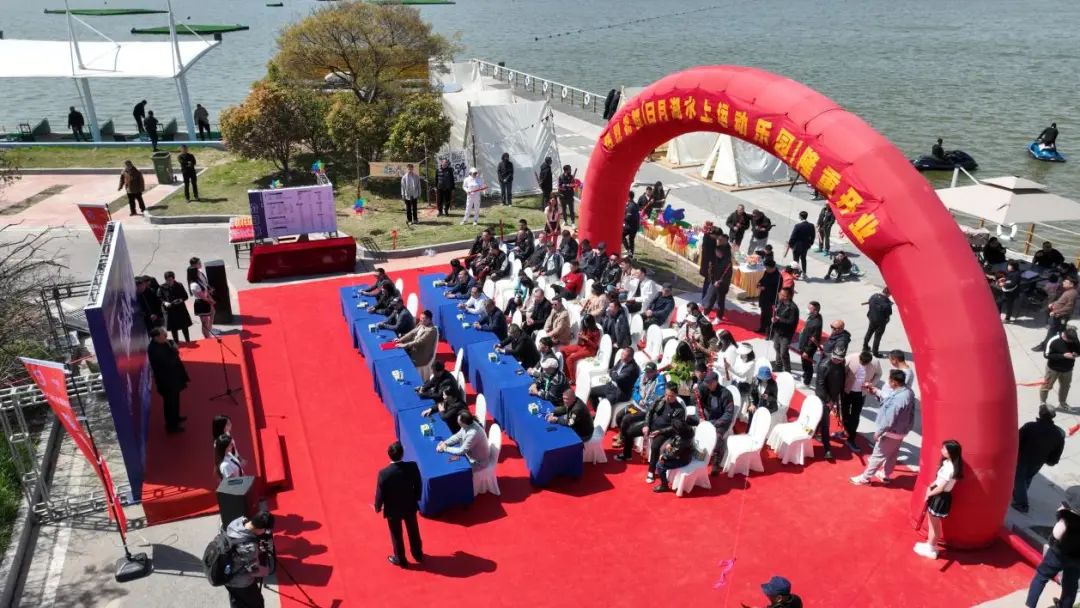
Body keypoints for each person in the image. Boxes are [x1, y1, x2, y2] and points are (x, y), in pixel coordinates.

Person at [850, 369, 917, 485]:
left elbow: (888, 419)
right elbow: (889, 399)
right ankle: (886, 475)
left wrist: (879, 432)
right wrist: (876, 391)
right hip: (900, 431)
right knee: (892, 454)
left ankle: (865, 478)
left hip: (890, 432)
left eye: (889, 380)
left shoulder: (898, 398)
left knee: (877, 455)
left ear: (894, 382)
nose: (888, 382)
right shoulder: (907, 392)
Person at [1025, 489, 1080, 608]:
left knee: (1041, 576)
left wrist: (1061, 514)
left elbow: (1057, 533)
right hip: (1077, 559)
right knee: (1070, 584)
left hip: (1058, 554)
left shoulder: (1067, 519)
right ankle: (1065, 605)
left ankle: (1030, 605)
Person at [375, 441, 423, 568]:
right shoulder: (412, 466)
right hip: (409, 505)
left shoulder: (384, 474)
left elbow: (380, 493)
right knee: (413, 530)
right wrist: (416, 498)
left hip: (393, 509)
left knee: (396, 534)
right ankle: (418, 554)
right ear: (402, 454)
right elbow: (418, 484)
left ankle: (400, 559)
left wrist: (377, 506)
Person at [914, 440, 964, 559]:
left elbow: (941, 488)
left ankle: (931, 548)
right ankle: (930, 544)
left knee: (933, 525)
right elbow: (938, 481)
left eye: (944, 449)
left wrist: (929, 494)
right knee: (932, 523)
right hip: (937, 494)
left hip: (940, 497)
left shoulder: (950, 468)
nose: (942, 450)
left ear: (951, 452)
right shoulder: (947, 462)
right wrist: (931, 486)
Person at [1013, 405, 1065, 513]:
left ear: (1041, 414)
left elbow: (1016, 440)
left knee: (1019, 479)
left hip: (1023, 457)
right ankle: (1019, 495)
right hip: (1039, 461)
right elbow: (1057, 451)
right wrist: (1051, 461)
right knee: (1027, 478)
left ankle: (1022, 504)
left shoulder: (1030, 426)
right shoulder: (1058, 434)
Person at [222, 510, 274, 606]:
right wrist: (266, 569)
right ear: (261, 529)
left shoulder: (237, 522)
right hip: (240, 582)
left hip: (226, 572)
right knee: (257, 604)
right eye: (265, 530)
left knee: (236, 601)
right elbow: (254, 571)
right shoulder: (250, 548)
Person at [614, 362, 666, 450]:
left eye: (650, 372)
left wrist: (646, 402)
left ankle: (623, 439)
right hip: (636, 405)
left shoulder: (660, 381)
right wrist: (639, 399)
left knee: (627, 418)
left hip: (646, 410)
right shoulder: (642, 375)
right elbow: (635, 389)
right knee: (619, 415)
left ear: (655, 371)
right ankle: (622, 433)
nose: (647, 374)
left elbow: (658, 398)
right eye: (647, 371)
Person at [640, 386, 687, 482]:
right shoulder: (660, 399)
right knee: (630, 430)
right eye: (666, 395)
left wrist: (660, 431)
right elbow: (650, 411)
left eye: (670, 396)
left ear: (676, 395)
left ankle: (651, 471)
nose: (667, 398)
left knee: (655, 446)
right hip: (652, 426)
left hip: (664, 432)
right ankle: (627, 454)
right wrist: (646, 425)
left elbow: (675, 427)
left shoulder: (680, 410)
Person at [147, 327, 189, 433]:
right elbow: (169, 361)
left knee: (175, 399)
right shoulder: (154, 349)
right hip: (166, 382)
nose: (165, 336)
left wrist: (172, 346)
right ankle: (171, 426)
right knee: (169, 403)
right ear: (156, 337)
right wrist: (174, 350)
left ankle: (176, 417)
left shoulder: (163, 343)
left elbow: (172, 343)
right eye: (163, 334)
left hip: (173, 378)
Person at [840, 351, 881, 453]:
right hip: (847, 391)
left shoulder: (875, 363)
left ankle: (851, 438)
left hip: (860, 394)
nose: (863, 364)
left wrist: (871, 383)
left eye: (865, 363)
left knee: (855, 416)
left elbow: (879, 374)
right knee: (844, 413)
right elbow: (841, 371)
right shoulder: (851, 358)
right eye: (862, 362)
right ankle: (845, 430)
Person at [698, 371, 735, 475]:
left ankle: (716, 461)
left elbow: (728, 414)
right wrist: (700, 418)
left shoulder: (726, 394)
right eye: (707, 383)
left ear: (716, 382)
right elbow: (698, 404)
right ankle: (701, 456)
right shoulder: (705, 389)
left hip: (722, 421)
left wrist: (715, 424)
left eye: (710, 383)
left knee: (717, 436)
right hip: (709, 418)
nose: (708, 385)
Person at [814, 347, 846, 460]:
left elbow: (840, 381)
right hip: (823, 397)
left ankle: (814, 432)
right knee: (825, 423)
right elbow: (820, 385)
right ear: (832, 355)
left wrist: (837, 399)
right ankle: (827, 449)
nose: (836, 361)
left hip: (833, 397)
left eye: (839, 359)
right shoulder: (824, 365)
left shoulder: (841, 364)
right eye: (835, 358)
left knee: (820, 419)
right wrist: (828, 401)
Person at [1034, 276, 1077, 352]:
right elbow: (1061, 301)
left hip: (1060, 316)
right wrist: (1053, 304)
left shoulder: (1071, 293)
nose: (1063, 282)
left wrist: (1055, 312)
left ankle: (1044, 346)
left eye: (1066, 282)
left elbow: (1069, 307)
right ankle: (1062, 346)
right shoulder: (1068, 291)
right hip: (1059, 316)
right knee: (1060, 331)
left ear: (1071, 284)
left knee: (1052, 332)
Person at [1042, 326, 1080, 409]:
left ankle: (1062, 403)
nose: (1072, 342)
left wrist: (1076, 354)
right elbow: (1046, 355)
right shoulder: (1053, 340)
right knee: (1046, 386)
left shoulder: (1074, 339)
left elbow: (1079, 350)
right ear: (1064, 336)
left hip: (1068, 369)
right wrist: (1063, 356)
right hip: (1053, 369)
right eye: (1069, 341)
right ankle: (1043, 403)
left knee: (1065, 387)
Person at [652, 418, 695, 493]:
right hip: (684, 454)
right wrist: (671, 444)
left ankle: (664, 485)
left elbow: (673, 454)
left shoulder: (682, 440)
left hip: (683, 459)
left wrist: (664, 456)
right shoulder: (687, 430)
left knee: (659, 465)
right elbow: (675, 437)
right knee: (665, 449)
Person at [703, 232, 734, 320]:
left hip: (722, 282)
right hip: (715, 280)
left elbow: (725, 272)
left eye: (720, 240)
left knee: (720, 300)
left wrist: (719, 281)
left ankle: (719, 317)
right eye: (718, 239)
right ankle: (706, 313)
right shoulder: (719, 250)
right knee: (711, 297)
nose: (719, 241)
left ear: (725, 241)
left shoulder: (727, 256)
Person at [561, 314, 600, 382]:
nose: (585, 324)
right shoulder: (585, 328)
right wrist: (580, 337)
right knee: (562, 350)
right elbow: (579, 343)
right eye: (584, 322)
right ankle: (567, 373)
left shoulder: (596, 331)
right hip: (582, 346)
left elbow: (595, 346)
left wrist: (586, 339)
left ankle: (573, 379)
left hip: (590, 350)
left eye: (586, 323)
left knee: (569, 359)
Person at [158, 271, 192, 343]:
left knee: (184, 326)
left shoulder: (179, 285)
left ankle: (188, 341)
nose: (169, 282)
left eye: (170, 280)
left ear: (173, 278)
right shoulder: (162, 287)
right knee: (173, 328)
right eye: (167, 280)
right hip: (170, 310)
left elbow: (185, 296)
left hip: (180, 309)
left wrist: (180, 300)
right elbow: (159, 297)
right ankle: (176, 342)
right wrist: (165, 302)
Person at [771, 287, 799, 372]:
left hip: (786, 334)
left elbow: (792, 322)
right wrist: (774, 317)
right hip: (778, 331)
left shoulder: (793, 308)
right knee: (776, 347)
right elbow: (777, 314)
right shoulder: (780, 303)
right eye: (780, 293)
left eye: (782, 295)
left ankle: (787, 369)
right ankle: (778, 365)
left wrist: (779, 319)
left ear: (788, 296)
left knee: (783, 353)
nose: (779, 295)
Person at [796, 301, 822, 386]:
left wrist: (807, 352)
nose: (807, 310)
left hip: (808, 347)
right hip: (804, 343)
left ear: (815, 311)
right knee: (804, 363)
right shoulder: (813, 316)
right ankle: (805, 376)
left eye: (809, 308)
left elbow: (813, 339)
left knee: (807, 365)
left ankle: (806, 382)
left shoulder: (816, 323)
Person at [862, 287, 892, 357]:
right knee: (877, 337)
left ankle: (865, 347)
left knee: (869, 332)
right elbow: (888, 313)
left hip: (872, 318)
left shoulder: (874, 296)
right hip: (881, 321)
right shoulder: (887, 302)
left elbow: (870, 302)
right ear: (889, 294)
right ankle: (875, 352)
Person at [786, 211, 816, 276]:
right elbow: (813, 236)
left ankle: (796, 273)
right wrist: (810, 244)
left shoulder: (798, 226)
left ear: (801, 217)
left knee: (795, 260)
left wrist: (790, 244)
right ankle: (804, 273)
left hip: (797, 246)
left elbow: (793, 236)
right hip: (805, 246)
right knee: (803, 259)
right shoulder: (811, 225)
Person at [756, 260, 782, 334]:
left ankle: (769, 331)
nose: (766, 269)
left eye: (767, 268)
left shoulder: (778, 277)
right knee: (763, 314)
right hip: (764, 297)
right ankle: (762, 328)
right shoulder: (767, 272)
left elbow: (778, 289)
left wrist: (765, 288)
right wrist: (759, 284)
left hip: (771, 299)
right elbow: (762, 280)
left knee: (769, 316)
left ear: (772, 267)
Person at [190, 268, 215, 339]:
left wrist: (209, 293)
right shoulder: (194, 285)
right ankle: (207, 336)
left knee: (206, 321)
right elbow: (202, 297)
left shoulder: (198, 281)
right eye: (198, 272)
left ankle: (207, 335)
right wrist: (211, 301)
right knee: (204, 322)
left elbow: (204, 292)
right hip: (201, 303)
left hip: (204, 302)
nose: (199, 273)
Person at [623, 190, 641, 255]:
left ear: (628, 197)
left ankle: (629, 251)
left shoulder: (631, 206)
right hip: (634, 226)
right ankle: (630, 253)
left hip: (630, 226)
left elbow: (628, 217)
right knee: (631, 240)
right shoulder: (634, 204)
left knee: (621, 236)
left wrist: (621, 219)